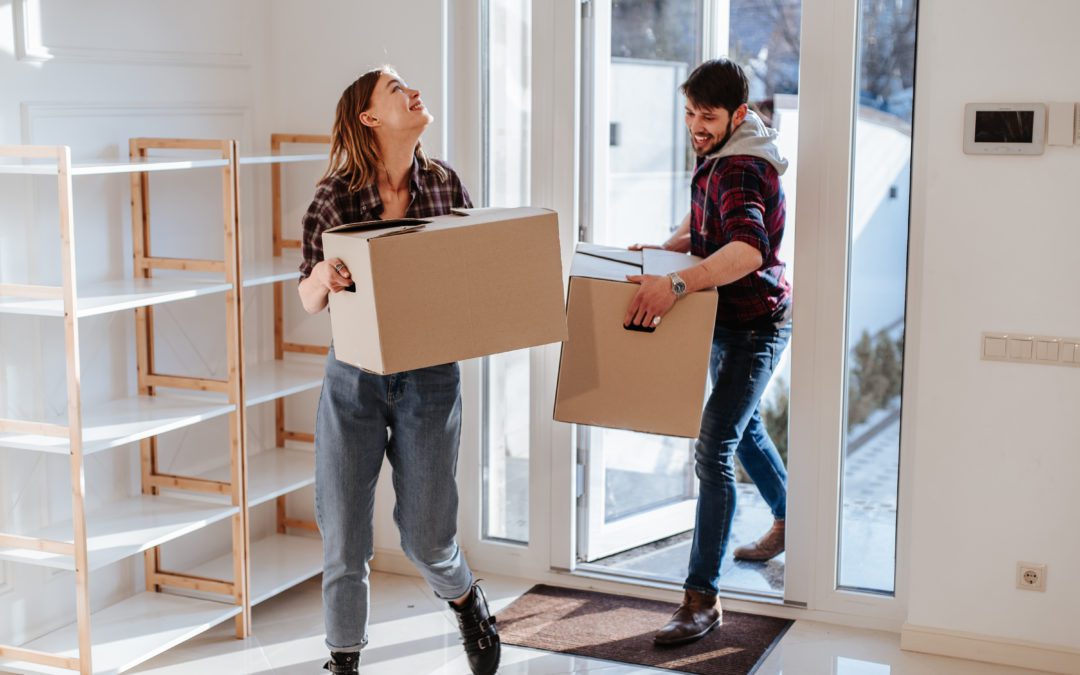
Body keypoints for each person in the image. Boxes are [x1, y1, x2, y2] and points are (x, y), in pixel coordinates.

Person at [298, 67, 500, 675]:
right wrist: (325, 276)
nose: (413, 92)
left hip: (432, 376)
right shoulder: (335, 197)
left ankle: (466, 600)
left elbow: (469, 278)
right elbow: (308, 298)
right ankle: (344, 660)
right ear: (369, 117)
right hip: (353, 378)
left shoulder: (443, 185)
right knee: (345, 539)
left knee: (426, 537)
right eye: (396, 89)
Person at [624, 58, 792, 646]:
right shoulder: (726, 153)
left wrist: (672, 285)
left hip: (756, 326)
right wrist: (664, 250)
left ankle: (702, 599)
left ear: (738, 115)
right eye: (690, 113)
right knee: (743, 432)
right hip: (728, 321)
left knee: (714, 446)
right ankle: (791, 515)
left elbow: (746, 250)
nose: (696, 125)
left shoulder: (741, 169)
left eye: (708, 116)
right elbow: (709, 231)